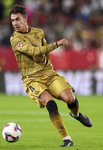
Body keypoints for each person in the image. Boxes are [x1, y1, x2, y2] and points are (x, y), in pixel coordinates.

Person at [9, 4, 92, 147]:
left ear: (25, 18)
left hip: (49, 73)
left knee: (70, 99)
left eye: (17, 19)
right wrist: (57, 44)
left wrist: (47, 65)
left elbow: (43, 52)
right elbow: (34, 52)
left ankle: (76, 115)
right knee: (51, 104)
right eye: (12, 20)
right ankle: (67, 139)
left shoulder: (39, 33)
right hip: (32, 80)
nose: (15, 23)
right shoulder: (15, 39)